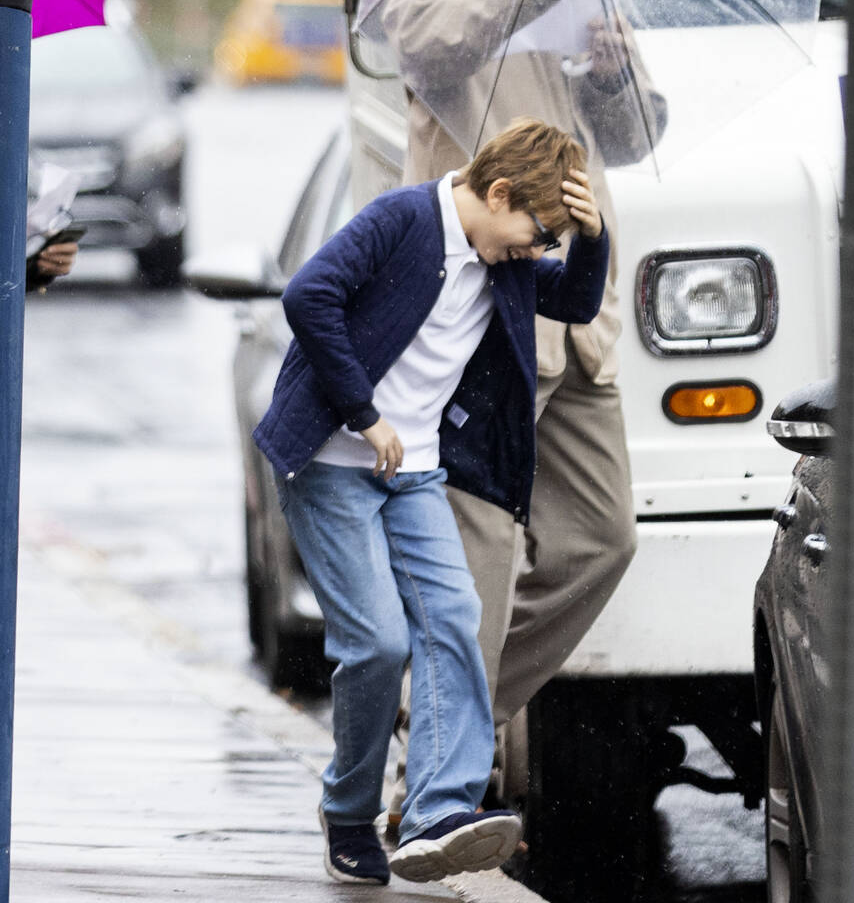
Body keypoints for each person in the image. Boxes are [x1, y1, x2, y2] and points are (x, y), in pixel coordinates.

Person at [252, 118, 609, 886]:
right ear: (500, 191)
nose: (535, 251)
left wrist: (592, 233)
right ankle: (347, 812)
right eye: (535, 232)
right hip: (331, 462)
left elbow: (577, 303)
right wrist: (363, 412)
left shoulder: (503, 262)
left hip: (413, 473)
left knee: (453, 619)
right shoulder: (405, 219)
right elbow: (308, 295)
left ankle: (437, 812)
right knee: (378, 645)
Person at [379, 0, 664, 800]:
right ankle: (439, 778)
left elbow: (633, 138)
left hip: (581, 313)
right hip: (485, 314)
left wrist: (618, 75)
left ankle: (444, 724)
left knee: (600, 543)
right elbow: (423, 40)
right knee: (485, 561)